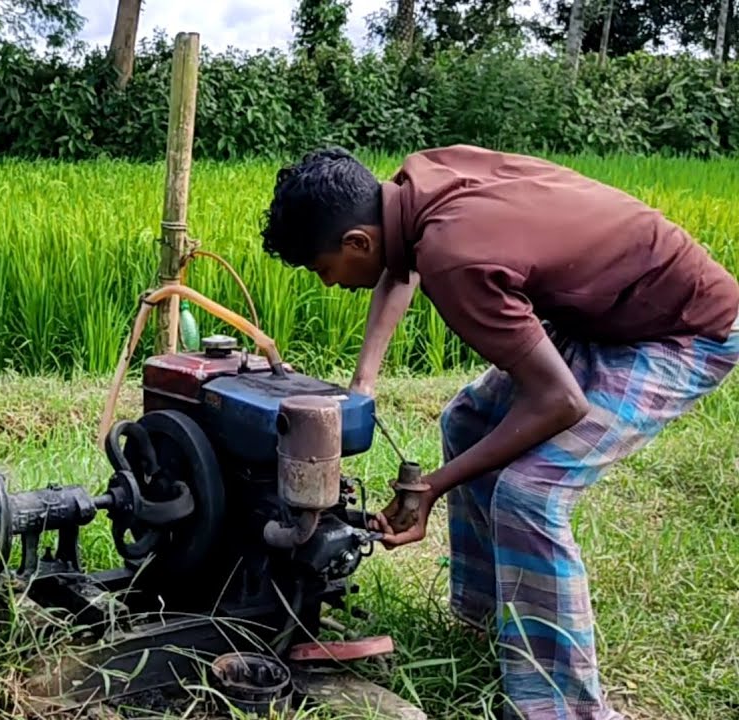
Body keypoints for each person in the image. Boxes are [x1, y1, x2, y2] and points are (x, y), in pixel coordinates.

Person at [258, 144, 739, 720]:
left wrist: (433, 485)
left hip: (683, 330)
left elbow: (560, 402)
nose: (331, 284)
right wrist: (364, 382)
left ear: (357, 241)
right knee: (468, 421)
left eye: (323, 269)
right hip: (608, 311)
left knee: (530, 493)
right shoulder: (415, 187)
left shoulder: (455, 259)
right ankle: (486, 620)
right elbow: (397, 267)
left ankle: (560, 707)